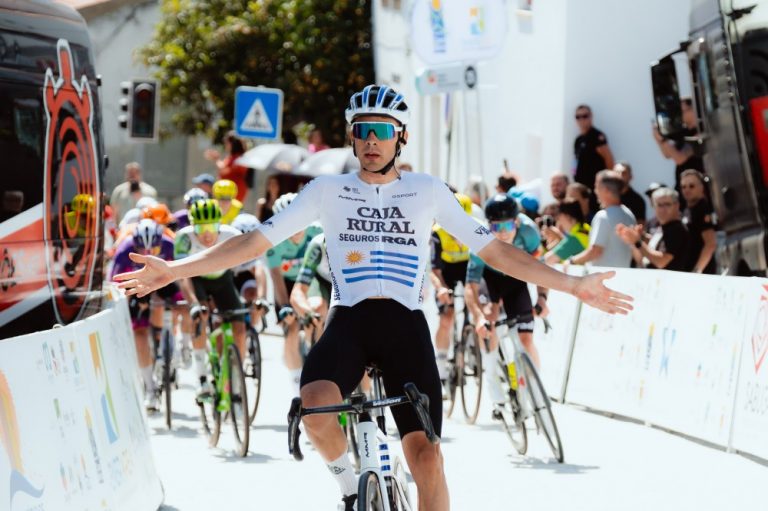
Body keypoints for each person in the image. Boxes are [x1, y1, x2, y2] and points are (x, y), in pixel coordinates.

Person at [114, 84, 632, 511]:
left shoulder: (428, 190)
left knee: (426, 458)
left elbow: (496, 252)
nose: (370, 141)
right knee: (314, 407)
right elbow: (252, 241)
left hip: (406, 324)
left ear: (400, 137)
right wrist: (175, 269)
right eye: (362, 131)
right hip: (351, 320)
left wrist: (571, 284)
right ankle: (347, 487)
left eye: (381, 131)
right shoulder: (327, 192)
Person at [465, 195, 546, 386]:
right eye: (496, 227)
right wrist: (478, 317)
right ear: (488, 225)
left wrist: (542, 298)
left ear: (516, 222)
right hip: (490, 278)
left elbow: (541, 269)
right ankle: (493, 383)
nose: (502, 234)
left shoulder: (530, 233)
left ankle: (536, 390)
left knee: (526, 339)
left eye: (507, 227)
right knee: (489, 322)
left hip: (515, 277)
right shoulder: (479, 239)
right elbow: (471, 286)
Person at [109, 219, 186, 411]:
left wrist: (185, 304)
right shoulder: (125, 250)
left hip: (164, 282)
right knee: (140, 333)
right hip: (137, 287)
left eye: (153, 249)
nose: (147, 254)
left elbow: (184, 278)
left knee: (180, 304)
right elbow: (116, 286)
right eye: (142, 250)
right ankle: (150, 388)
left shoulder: (170, 245)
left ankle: (172, 345)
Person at [173, 199, 247, 396]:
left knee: (239, 328)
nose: (207, 234)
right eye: (201, 227)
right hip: (196, 279)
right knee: (201, 315)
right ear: (192, 225)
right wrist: (194, 304)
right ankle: (202, 378)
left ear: (220, 224)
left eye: (212, 226)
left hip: (223, 279)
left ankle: (236, 379)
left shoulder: (231, 235)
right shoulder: (184, 239)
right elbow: (183, 276)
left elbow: (250, 268)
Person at [265, 192, 323, 397]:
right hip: (286, 284)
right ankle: (296, 382)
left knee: (317, 318)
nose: (296, 231)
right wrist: (286, 308)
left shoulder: (318, 231)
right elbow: (276, 278)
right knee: (291, 327)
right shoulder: (273, 240)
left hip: (311, 280)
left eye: (300, 223)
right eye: (290, 225)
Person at [429, 193, 473, 387]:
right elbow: (434, 269)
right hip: (444, 272)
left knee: (477, 310)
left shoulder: (475, 229)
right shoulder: (437, 233)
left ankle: (472, 349)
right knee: (447, 317)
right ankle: (441, 366)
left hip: (468, 269)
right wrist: (441, 289)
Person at [569, 170, 636, 268]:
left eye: (597, 187)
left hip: (603, 279)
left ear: (606, 190)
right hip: (622, 278)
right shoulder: (629, 214)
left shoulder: (603, 216)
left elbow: (595, 251)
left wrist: (572, 261)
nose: (595, 191)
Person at [616, 187, 690, 271]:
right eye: (659, 205)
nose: (663, 209)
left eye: (667, 204)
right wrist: (636, 237)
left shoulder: (677, 229)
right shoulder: (661, 227)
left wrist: (637, 242)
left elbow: (661, 261)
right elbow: (642, 258)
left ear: (677, 205)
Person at [290, 231, 333, 343]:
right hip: (322, 279)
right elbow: (297, 292)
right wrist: (309, 313)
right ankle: (316, 352)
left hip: (346, 283)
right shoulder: (317, 246)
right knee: (317, 308)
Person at [680, 169, 717, 273]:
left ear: (701, 187)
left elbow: (710, 244)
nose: (687, 190)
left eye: (691, 186)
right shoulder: (686, 210)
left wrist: (697, 270)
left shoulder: (703, 208)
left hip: (701, 273)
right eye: (683, 187)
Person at [573, 105, 614, 188]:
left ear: (591, 116)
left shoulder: (597, 136)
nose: (581, 119)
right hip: (581, 188)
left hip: (595, 187)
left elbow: (609, 160)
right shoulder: (578, 140)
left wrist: (607, 183)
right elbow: (575, 162)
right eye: (578, 117)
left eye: (585, 116)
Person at [205, 131, 249, 202]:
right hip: (226, 193)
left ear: (232, 144)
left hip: (233, 193)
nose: (225, 145)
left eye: (226, 143)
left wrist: (216, 159)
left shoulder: (238, 158)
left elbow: (223, 170)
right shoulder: (232, 157)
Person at [543, 199, 591, 264]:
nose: (558, 220)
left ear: (567, 216)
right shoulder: (587, 228)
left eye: (559, 216)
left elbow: (548, 259)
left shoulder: (574, 239)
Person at [613, 161, 647, 226]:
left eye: (624, 173)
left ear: (631, 176)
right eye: (617, 173)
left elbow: (640, 226)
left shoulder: (637, 200)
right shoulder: (607, 197)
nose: (620, 176)